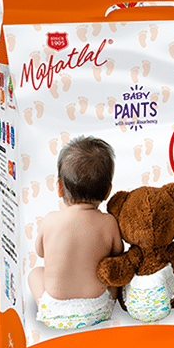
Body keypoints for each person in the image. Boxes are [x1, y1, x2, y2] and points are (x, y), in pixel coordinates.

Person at [28, 136, 123, 329]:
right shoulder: (108, 222)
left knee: (35, 273)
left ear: (59, 188)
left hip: (55, 312)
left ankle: (48, 311)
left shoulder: (50, 220)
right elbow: (118, 254)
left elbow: (40, 252)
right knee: (114, 278)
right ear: (108, 192)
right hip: (98, 308)